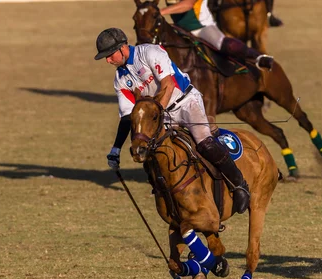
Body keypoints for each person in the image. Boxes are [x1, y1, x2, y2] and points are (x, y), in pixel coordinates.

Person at [94, 28, 250, 214]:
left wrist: (157, 114)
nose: (107, 60)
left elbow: (168, 85)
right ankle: (167, 196)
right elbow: (128, 115)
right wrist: (116, 148)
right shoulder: (121, 79)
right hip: (160, 114)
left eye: (110, 55)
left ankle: (239, 184)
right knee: (151, 152)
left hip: (185, 102)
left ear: (123, 48)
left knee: (204, 143)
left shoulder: (150, 52)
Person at [161, 0, 274, 70]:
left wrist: (160, 12)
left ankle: (258, 57)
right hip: (179, 28)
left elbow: (188, 4)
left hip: (202, 27)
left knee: (223, 44)